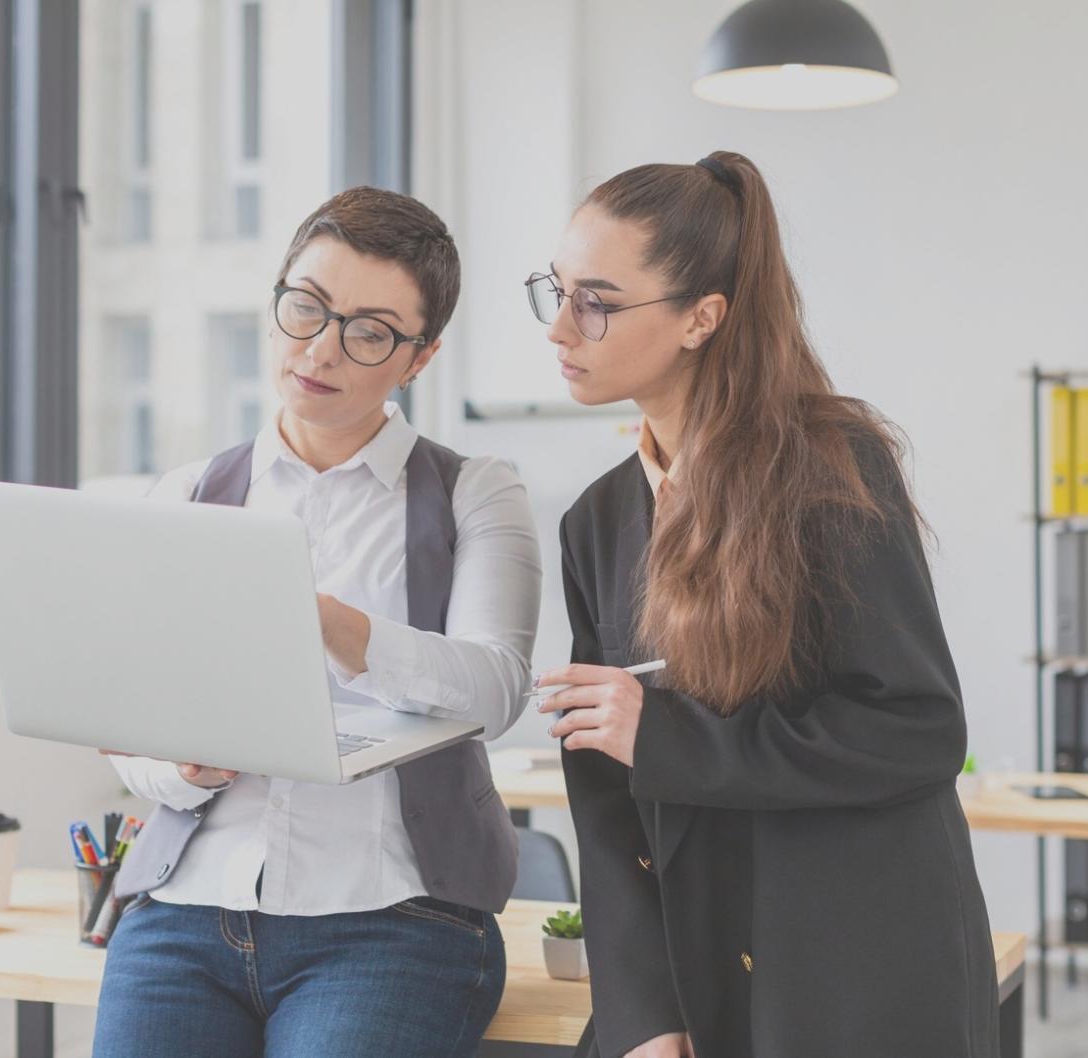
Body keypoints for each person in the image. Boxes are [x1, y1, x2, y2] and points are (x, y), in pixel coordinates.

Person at [527, 151, 999, 1058]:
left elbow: (915, 727)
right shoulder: (597, 521)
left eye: (596, 300)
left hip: (852, 967)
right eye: (555, 290)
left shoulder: (832, 468)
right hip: (693, 969)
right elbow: (605, 800)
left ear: (702, 318)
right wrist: (643, 1015)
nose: (559, 328)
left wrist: (665, 738)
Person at [92, 187, 542, 1058]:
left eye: (368, 330)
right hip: (184, 912)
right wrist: (180, 768)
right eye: (305, 308)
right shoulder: (185, 495)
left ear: (420, 356)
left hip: (393, 922)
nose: (321, 349)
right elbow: (126, 729)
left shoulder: (476, 491)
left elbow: (497, 688)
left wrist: (330, 624)